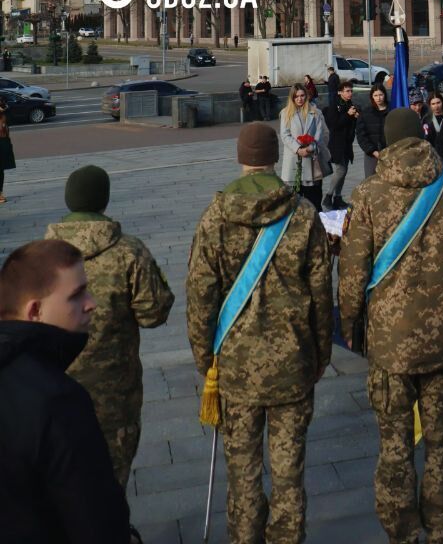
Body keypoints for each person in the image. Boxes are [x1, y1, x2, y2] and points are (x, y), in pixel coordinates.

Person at [187, 122, 332, 544]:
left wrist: (205, 360)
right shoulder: (302, 213)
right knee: (288, 471)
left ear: (240, 156)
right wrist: (320, 354)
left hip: (234, 365)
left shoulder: (216, 215)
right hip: (293, 362)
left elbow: (200, 296)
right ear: (274, 156)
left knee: (243, 469)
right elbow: (322, 293)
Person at [338, 107, 443, 544]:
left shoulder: (370, 193)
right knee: (441, 440)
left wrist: (350, 321)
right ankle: (441, 525)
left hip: (391, 342)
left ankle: (402, 528)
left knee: (394, 444)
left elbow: (354, 270)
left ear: (390, 143)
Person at [44, 166, 174, 487]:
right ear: (104, 201)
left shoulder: (39, 256)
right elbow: (153, 313)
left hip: (54, 391)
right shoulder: (129, 252)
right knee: (112, 481)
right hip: (115, 393)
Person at [0, 239, 132, 541]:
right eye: (76, 295)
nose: (91, 303)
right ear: (34, 311)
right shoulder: (57, 400)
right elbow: (96, 521)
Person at [280, 83, 331, 210]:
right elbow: (285, 135)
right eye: (296, 96)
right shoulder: (286, 113)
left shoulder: (316, 113)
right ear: (292, 98)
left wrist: (311, 147)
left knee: (313, 201)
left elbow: (321, 134)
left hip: (311, 159)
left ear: (306, 96)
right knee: (293, 203)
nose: (299, 99)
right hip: (293, 160)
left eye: (302, 95)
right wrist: (298, 149)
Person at [323, 79, 360, 210]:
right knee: (340, 170)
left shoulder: (351, 105)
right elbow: (334, 125)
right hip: (337, 143)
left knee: (344, 172)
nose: (350, 93)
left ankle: (337, 198)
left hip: (347, 143)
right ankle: (328, 196)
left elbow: (353, 125)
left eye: (351, 91)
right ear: (340, 92)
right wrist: (347, 115)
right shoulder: (334, 106)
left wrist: (356, 117)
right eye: (347, 91)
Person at [356, 83, 390, 178]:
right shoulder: (366, 113)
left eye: (380, 95)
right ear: (372, 97)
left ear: (384, 95)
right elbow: (361, 135)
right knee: (371, 180)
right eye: (375, 95)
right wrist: (373, 151)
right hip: (372, 154)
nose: (378, 98)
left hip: (390, 153)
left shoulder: (392, 110)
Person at [0, 95, 15, 204]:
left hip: (3, 141)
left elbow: (7, 124)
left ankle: (0, 193)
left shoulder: (4, 113)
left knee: (1, 170)